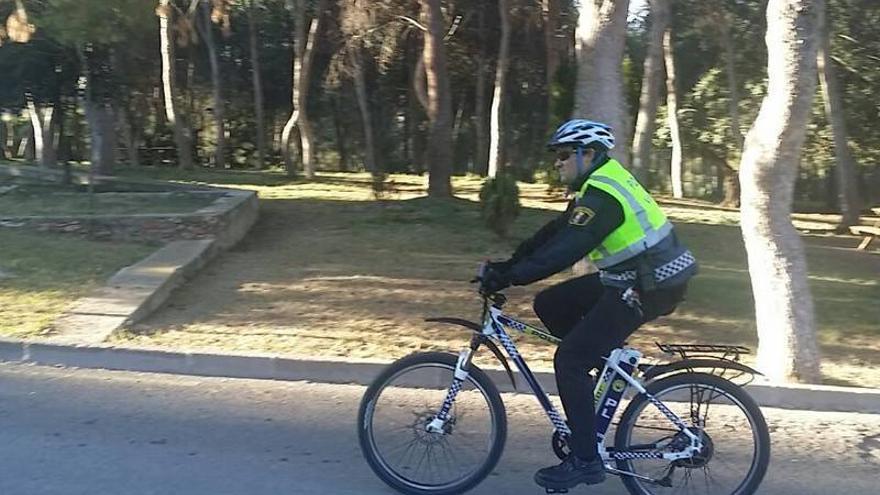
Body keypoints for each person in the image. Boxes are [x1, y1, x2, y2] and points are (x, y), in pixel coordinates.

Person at [480, 119, 697, 492]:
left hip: (651, 285)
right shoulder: (596, 187)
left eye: (564, 155)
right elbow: (553, 235)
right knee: (551, 303)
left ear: (588, 155)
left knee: (569, 360)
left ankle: (585, 460)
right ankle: (598, 374)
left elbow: (567, 250)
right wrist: (507, 266)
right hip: (631, 277)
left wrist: (511, 278)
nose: (557, 163)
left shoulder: (604, 197)